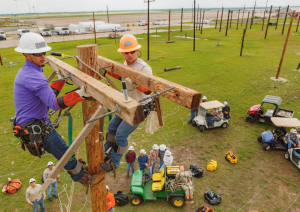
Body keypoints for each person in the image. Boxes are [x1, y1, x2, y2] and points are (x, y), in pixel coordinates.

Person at [13, 32, 103, 186]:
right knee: (65, 153)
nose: (43, 56)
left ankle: (80, 169)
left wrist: (62, 79)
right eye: (37, 54)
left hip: (37, 123)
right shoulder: (32, 76)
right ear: (26, 54)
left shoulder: (31, 70)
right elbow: (54, 104)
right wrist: (80, 93)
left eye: (44, 52)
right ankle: (83, 178)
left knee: (65, 149)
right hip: (35, 128)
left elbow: (48, 95)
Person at [101, 34, 153, 173]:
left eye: (132, 52)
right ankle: (106, 152)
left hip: (141, 107)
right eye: (126, 52)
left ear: (137, 51)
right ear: (122, 53)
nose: (129, 55)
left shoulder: (144, 68)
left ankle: (114, 162)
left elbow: (148, 91)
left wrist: (135, 83)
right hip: (128, 103)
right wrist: (106, 72)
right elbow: (120, 76)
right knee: (112, 127)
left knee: (121, 135)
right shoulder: (126, 64)